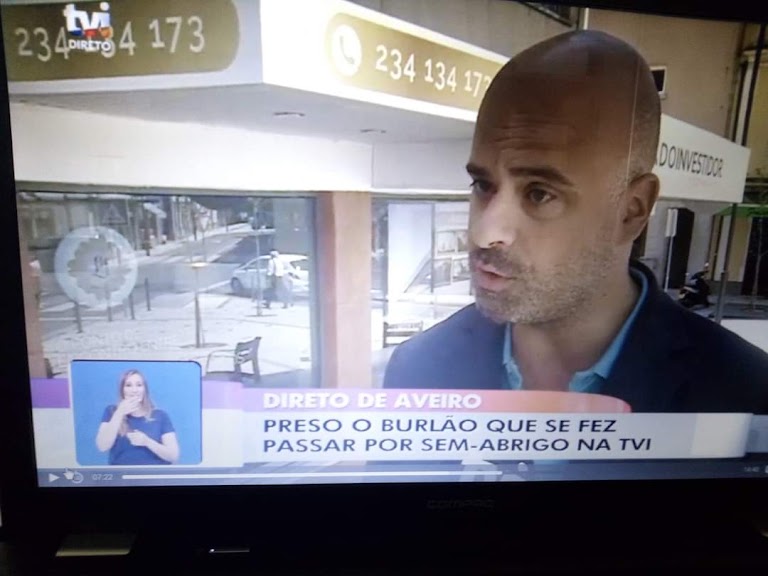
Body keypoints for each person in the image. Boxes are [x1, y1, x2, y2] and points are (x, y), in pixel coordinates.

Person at [383, 30, 768, 413]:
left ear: (631, 210)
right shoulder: (418, 369)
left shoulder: (745, 393)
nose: (484, 233)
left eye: (539, 194)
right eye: (483, 185)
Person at [96, 369, 180, 465]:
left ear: (145, 389)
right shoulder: (111, 412)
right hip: (122, 473)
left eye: (139, 385)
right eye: (128, 385)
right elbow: (102, 446)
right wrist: (119, 413)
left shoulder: (161, 416)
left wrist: (147, 442)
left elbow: (173, 456)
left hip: (154, 472)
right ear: (122, 390)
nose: (134, 390)